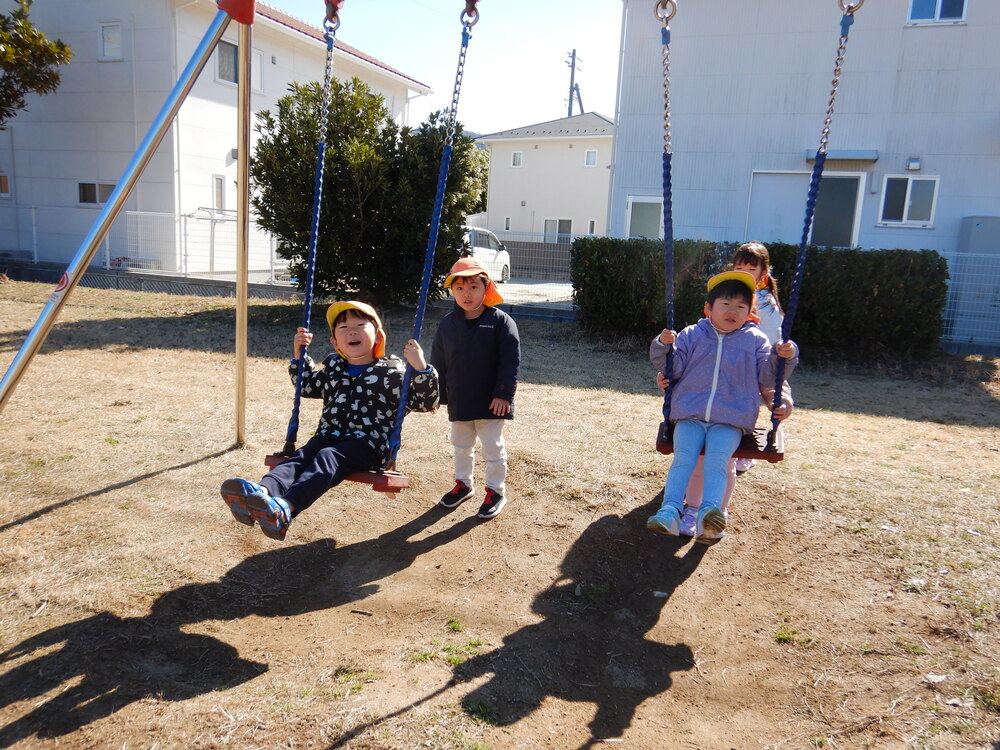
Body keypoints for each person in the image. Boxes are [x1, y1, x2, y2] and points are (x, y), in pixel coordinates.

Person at [220, 301, 438, 541]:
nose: (352, 331)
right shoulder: (334, 366)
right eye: (343, 328)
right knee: (303, 455)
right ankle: (261, 493)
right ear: (335, 341)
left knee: (327, 456)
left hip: (368, 445)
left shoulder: (391, 371)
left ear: (377, 335)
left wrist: (421, 368)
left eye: (360, 325)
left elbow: (424, 402)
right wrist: (299, 355)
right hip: (328, 437)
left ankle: (285, 508)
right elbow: (308, 386)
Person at [647, 271, 798, 544]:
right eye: (726, 304)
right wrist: (663, 346)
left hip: (730, 419)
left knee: (718, 462)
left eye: (741, 306)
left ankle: (710, 512)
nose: (733, 311)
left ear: (750, 312)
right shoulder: (692, 335)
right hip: (689, 415)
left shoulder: (755, 341)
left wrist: (783, 356)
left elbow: (768, 375)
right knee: (683, 459)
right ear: (708, 309)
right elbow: (674, 366)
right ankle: (670, 511)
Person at [431, 257, 520, 520]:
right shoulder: (448, 324)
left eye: (473, 287)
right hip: (460, 398)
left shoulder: (501, 322)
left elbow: (510, 360)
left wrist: (504, 393)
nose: (466, 294)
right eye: (460, 288)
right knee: (461, 445)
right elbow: (439, 360)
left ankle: (495, 490)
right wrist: (437, 394)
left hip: (492, 401)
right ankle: (463, 484)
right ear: (452, 292)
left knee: (492, 447)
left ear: (486, 288)